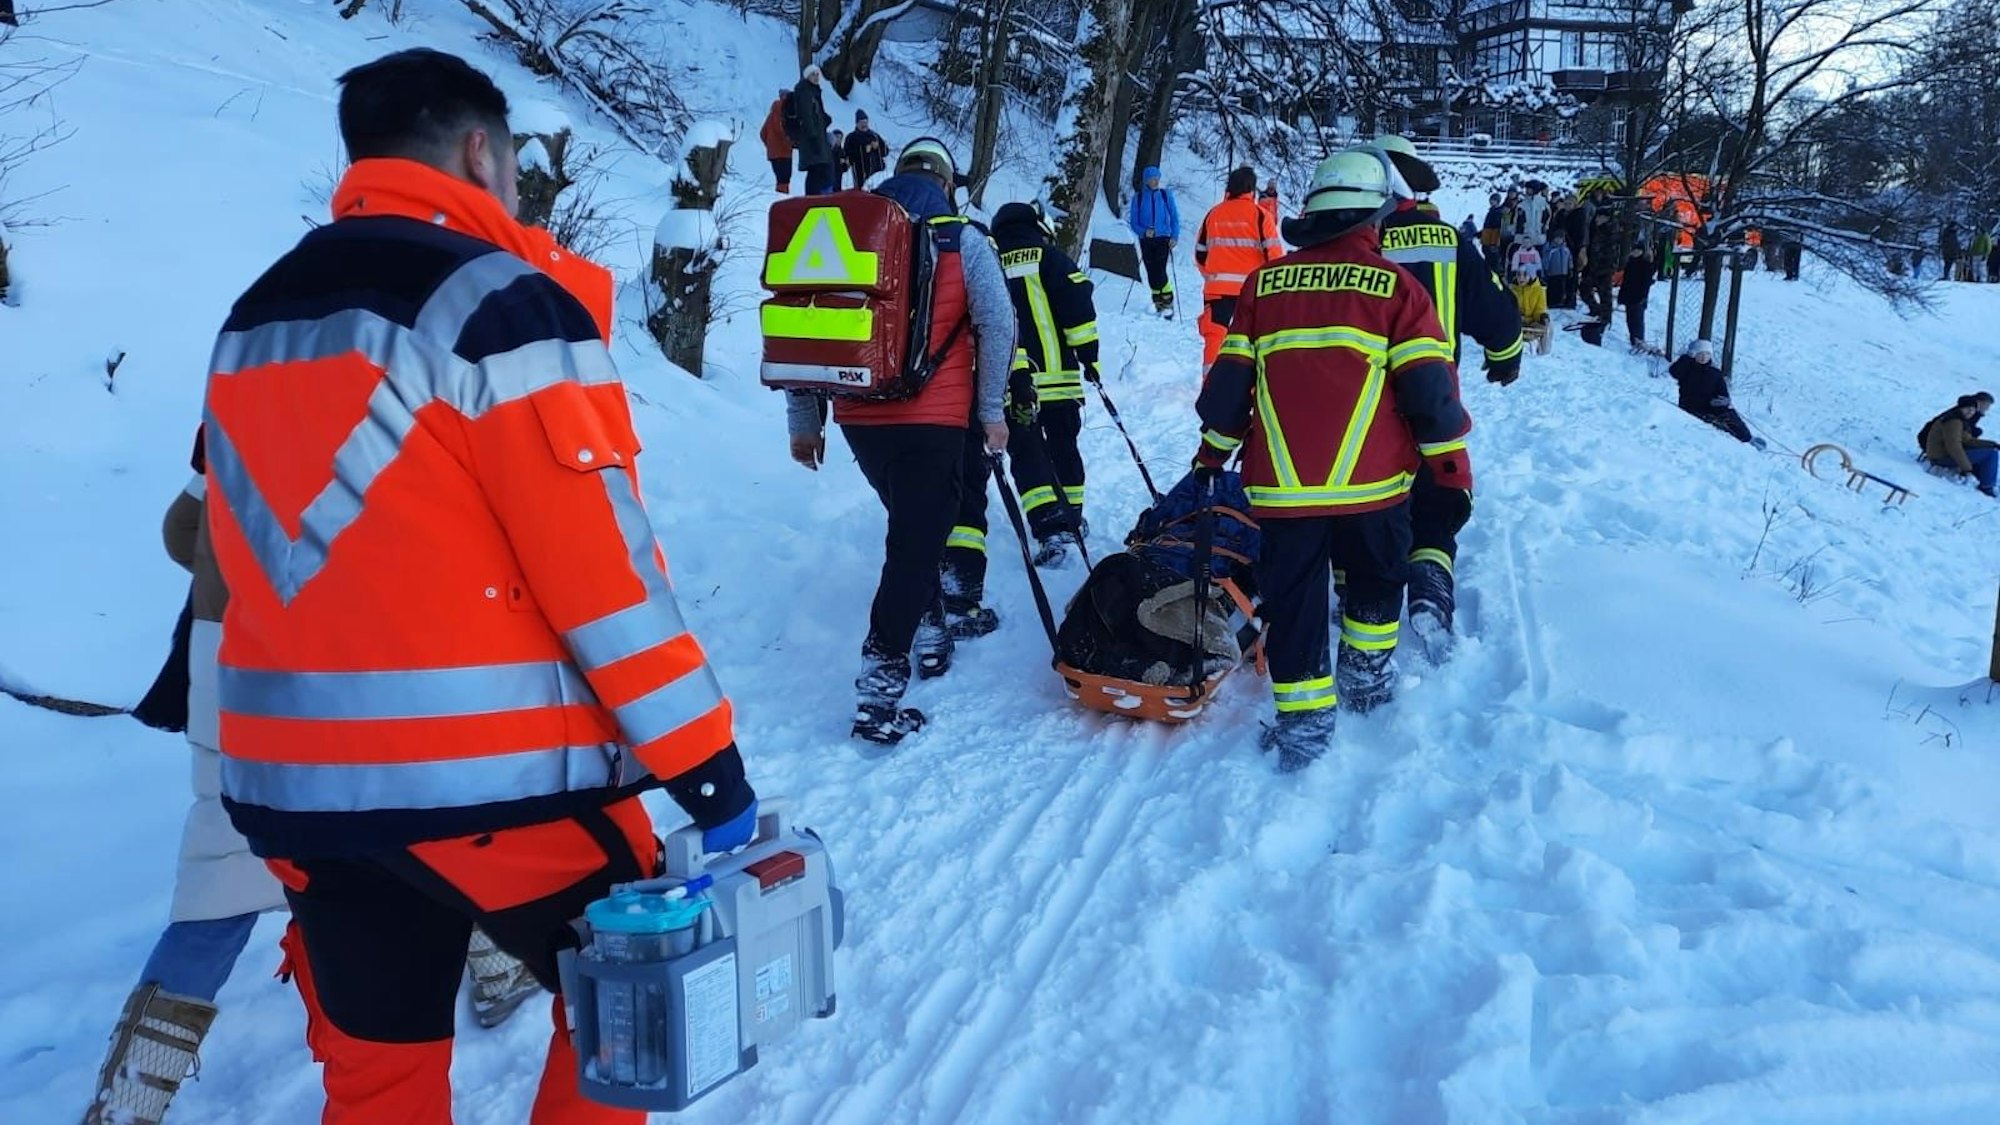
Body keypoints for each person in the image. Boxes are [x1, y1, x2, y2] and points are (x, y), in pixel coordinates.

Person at [197, 50, 759, 1124]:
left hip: (296, 794)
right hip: (483, 789)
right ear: (477, 150)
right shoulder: (501, 302)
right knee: (630, 1015)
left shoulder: (254, 316)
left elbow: (242, 543)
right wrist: (704, 767)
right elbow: (599, 575)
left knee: (377, 1075)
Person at [1192, 146, 1471, 772]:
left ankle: (1305, 723)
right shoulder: (1396, 289)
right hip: (1375, 490)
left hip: (1285, 495)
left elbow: (1231, 389)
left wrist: (1210, 456)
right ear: (1372, 220)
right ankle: (1367, 677)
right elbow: (1430, 395)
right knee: (1375, 579)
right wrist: (1451, 470)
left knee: (1293, 602)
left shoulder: (1265, 286)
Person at [785, 139, 1015, 745]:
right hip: (934, 420)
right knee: (913, 549)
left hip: (860, 420)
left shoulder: (847, 234)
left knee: (917, 536)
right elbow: (999, 322)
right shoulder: (960, 238)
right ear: (946, 183)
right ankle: (878, 693)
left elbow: (805, 323)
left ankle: (932, 636)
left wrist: (804, 420)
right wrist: (990, 409)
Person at [1367, 136, 1519, 650]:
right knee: (1437, 488)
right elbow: (1496, 309)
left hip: (1364, 394)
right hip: (1435, 393)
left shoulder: (1357, 238)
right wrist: (1504, 357)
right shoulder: (1450, 241)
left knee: (1367, 487)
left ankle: (1360, 586)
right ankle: (1431, 579)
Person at [974, 200, 1100, 568]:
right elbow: (1079, 306)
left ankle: (1047, 524)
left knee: (1027, 453)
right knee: (1064, 446)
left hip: (1011, 383)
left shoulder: (989, 262)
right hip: (1058, 380)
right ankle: (1071, 517)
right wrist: (1089, 356)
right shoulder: (1051, 258)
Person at [1195, 165, 1283, 368]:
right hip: (1252, 292)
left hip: (1217, 292)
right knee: (1250, 341)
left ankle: (1211, 388)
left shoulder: (1213, 215)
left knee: (1215, 338)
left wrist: (1213, 276)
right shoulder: (1261, 216)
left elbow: (1200, 254)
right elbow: (1275, 258)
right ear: (1251, 190)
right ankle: (1246, 391)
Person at [1669, 340, 1763, 447]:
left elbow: (1722, 391)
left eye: (1707, 354)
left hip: (1710, 406)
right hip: (1690, 406)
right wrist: (1686, 358)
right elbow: (1674, 372)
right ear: (1694, 354)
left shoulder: (1715, 373)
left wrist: (1724, 401)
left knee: (1729, 414)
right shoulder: (1687, 369)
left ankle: (1747, 438)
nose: (1704, 357)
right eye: (1700, 354)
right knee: (1712, 425)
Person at [1921, 393, 1999, 496]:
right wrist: (1967, 468)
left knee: (1989, 451)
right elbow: (1954, 446)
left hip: (1942, 453)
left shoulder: (1960, 420)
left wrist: (1992, 444)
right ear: (1961, 408)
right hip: (1940, 457)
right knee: (1990, 455)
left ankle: (1985, 477)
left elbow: (1968, 440)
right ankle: (1987, 486)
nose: (1970, 412)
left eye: (1973, 410)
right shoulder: (1954, 422)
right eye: (1967, 409)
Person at [1127, 166, 1180, 317]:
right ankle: (1158, 302)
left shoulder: (1165, 195)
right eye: (1152, 179)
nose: (1155, 181)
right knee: (1151, 272)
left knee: (1160, 271)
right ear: (1146, 181)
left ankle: (1168, 302)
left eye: (1157, 178)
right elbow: (1133, 223)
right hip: (1146, 240)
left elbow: (1175, 217)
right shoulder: (1137, 199)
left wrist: (1174, 236)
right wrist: (1144, 232)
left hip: (1163, 238)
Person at [787, 64, 835, 195]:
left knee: (820, 169)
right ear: (807, 76)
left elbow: (815, 115)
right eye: (813, 74)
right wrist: (813, 137)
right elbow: (806, 116)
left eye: (817, 74)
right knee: (817, 169)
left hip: (817, 137)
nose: (816, 77)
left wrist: (824, 119)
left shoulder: (813, 91)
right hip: (811, 139)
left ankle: (817, 196)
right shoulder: (804, 91)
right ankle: (813, 197)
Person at [1579, 208, 1620, 345]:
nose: (1596, 220)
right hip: (1594, 267)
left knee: (1605, 295)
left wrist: (1607, 267)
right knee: (1584, 289)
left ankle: (1606, 319)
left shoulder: (1611, 231)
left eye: (1599, 217)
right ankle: (1596, 310)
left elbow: (1610, 252)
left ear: (1605, 218)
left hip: (1604, 269)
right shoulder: (1597, 229)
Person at [1618, 243, 1656, 352]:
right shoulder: (1630, 262)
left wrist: (1643, 296)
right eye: (1634, 250)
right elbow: (1625, 281)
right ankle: (1633, 340)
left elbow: (1646, 283)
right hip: (1629, 296)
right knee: (1630, 319)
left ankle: (1639, 341)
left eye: (1638, 250)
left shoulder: (1645, 264)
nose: (1635, 252)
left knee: (1637, 320)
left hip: (1639, 297)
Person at [844, 110, 891, 187]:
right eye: (861, 122)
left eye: (865, 122)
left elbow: (886, 152)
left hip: (877, 173)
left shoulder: (874, 135)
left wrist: (878, 147)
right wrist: (863, 150)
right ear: (857, 123)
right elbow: (848, 157)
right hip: (861, 174)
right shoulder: (851, 138)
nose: (864, 124)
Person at [759, 87, 793, 193]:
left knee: (780, 178)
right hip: (784, 152)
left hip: (774, 153)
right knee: (785, 179)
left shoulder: (771, 114)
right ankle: (783, 200)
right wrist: (789, 144)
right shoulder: (783, 111)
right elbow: (782, 130)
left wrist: (770, 146)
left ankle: (781, 197)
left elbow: (762, 133)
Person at [1543, 233, 1574, 309]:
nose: (1559, 240)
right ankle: (1551, 302)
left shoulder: (1566, 249)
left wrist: (1570, 268)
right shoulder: (1551, 249)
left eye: (1560, 238)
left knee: (1561, 288)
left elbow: (1570, 259)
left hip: (1563, 272)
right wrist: (1546, 268)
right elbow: (1546, 259)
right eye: (1557, 238)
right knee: (1553, 287)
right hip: (1553, 272)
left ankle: (1560, 301)